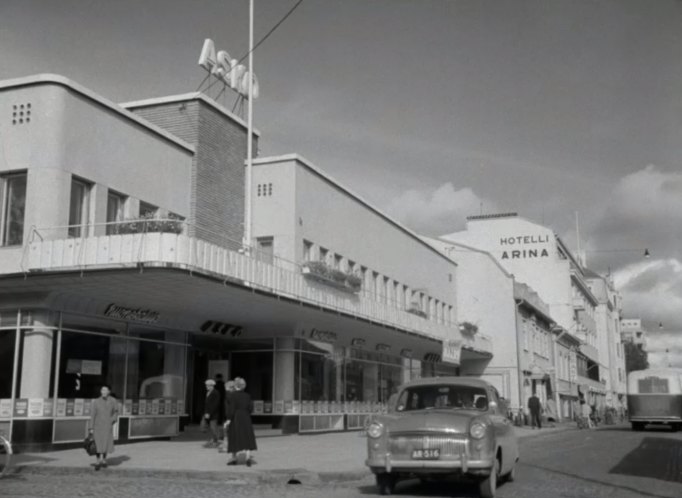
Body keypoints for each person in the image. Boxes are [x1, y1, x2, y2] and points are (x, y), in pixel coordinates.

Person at [226, 377, 257, 466]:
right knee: (247, 436)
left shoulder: (232, 395)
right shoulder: (247, 396)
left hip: (236, 417)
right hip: (246, 416)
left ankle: (234, 458)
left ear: (236, 385)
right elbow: (250, 408)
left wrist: (228, 419)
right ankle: (248, 457)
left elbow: (231, 409)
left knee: (234, 436)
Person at [88, 385, 118, 470]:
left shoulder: (113, 401)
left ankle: (104, 460)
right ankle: (97, 461)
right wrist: (91, 428)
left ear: (109, 391)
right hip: (97, 426)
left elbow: (115, 412)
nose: (103, 392)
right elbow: (93, 415)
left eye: (105, 390)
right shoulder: (96, 401)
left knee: (106, 444)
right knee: (98, 444)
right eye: (102, 390)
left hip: (107, 426)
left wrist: (112, 419)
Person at [219, 380, 236, 453]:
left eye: (226, 387)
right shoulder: (234, 394)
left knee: (227, 432)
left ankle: (227, 447)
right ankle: (227, 446)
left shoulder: (229, 395)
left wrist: (228, 418)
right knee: (228, 432)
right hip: (232, 416)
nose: (225, 388)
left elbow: (229, 408)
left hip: (229, 416)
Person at [203, 379, 221, 447]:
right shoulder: (208, 392)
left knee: (213, 427)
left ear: (211, 386)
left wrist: (209, 413)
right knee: (209, 427)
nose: (206, 386)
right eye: (206, 385)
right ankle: (213, 440)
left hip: (213, 413)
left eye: (207, 385)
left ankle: (216, 441)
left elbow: (215, 404)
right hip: (208, 412)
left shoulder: (215, 393)